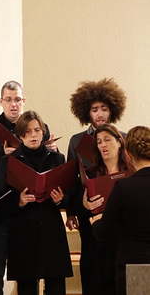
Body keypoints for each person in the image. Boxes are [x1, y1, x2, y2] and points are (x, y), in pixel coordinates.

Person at [0, 81, 57, 295]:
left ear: (24, 100)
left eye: (17, 99)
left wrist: (49, 149)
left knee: (27, 269)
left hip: (28, 208)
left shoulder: (38, 127)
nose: (13, 104)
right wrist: (5, 154)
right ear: (0, 102)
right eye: (9, 100)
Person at [0, 111, 72, 295]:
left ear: (43, 132)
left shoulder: (57, 158)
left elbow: (70, 195)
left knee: (56, 285)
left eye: (37, 130)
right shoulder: (8, 161)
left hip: (51, 228)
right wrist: (18, 201)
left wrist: (61, 199)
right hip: (23, 229)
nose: (33, 135)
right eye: (28, 131)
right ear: (20, 135)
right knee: (27, 287)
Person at [65, 78, 126, 295]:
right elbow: (71, 179)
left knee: (116, 263)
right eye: (94, 109)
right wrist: (72, 210)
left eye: (104, 109)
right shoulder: (76, 140)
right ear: (86, 113)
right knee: (91, 261)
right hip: (88, 208)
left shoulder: (123, 138)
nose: (99, 114)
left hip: (118, 211)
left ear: (112, 111)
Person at [91, 125, 150, 295]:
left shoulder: (124, 187)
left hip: (134, 264)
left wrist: (96, 222)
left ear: (129, 155)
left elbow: (104, 232)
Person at [81, 124, 131, 295]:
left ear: (119, 142)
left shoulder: (131, 172)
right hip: (99, 242)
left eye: (107, 140)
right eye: (99, 142)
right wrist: (86, 205)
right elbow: (83, 211)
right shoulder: (92, 173)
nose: (102, 145)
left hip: (125, 240)